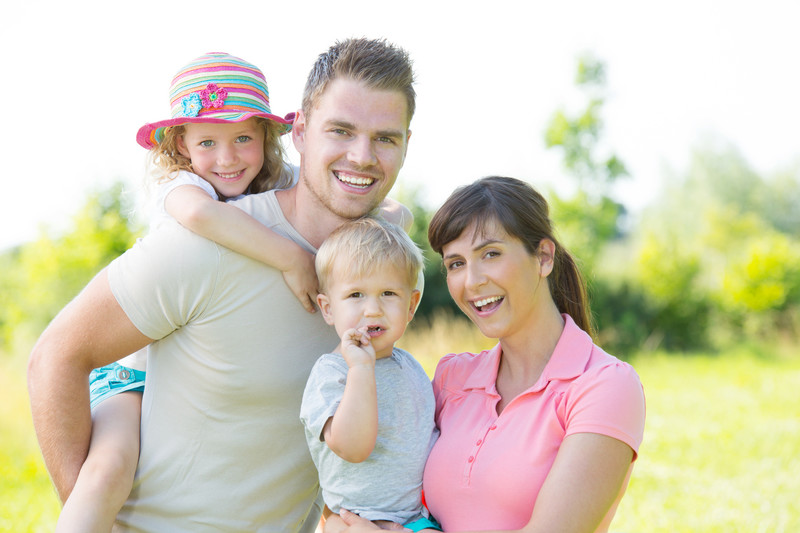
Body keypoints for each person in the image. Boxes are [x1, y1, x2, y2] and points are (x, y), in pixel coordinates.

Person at [28, 37, 416, 532]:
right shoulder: (206, 239)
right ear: (299, 131)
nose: (362, 156)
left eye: (385, 137)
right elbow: (56, 356)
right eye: (340, 131)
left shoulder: (382, 271)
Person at [337, 176, 646, 533]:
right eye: (455, 263)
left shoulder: (605, 386)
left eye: (491, 254)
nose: (472, 281)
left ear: (543, 257)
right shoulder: (452, 379)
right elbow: (366, 488)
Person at [300, 217, 440, 533]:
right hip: (355, 521)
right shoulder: (330, 375)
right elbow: (353, 447)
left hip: (417, 520)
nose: (373, 309)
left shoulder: (412, 369)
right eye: (356, 295)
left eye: (389, 293)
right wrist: (361, 368)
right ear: (328, 308)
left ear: (411, 305)